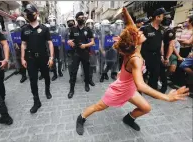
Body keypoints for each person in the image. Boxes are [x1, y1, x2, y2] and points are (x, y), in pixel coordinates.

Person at [75, 7, 189, 136]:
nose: (141, 32)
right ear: (134, 41)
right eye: (139, 34)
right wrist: (167, 97)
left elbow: (132, 28)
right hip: (119, 90)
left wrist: (127, 15)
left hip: (129, 89)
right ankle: (81, 117)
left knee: (146, 108)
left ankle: (129, 118)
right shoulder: (135, 59)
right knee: (98, 107)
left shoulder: (134, 47)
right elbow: (141, 85)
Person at [21, 4, 54, 113]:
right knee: (32, 81)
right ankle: (36, 101)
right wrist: (22, 58)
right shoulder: (24, 29)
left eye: (31, 12)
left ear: (37, 13)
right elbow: (23, 44)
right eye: (28, 13)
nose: (29, 14)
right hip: (31, 59)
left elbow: (50, 43)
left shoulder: (44, 28)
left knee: (46, 76)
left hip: (43, 57)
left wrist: (51, 57)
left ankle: (47, 90)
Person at [67, 12, 95, 99]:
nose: (81, 19)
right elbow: (70, 40)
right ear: (76, 19)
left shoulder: (88, 29)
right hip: (76, 53)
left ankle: (86, 84)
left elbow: (93, 42)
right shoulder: (73, 29)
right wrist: (69, 42)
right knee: (73, 71)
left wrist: (85, 45)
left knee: (86, 70)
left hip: (85, 53)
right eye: (79, 18)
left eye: (83, 17)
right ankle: (71, 89)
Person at [140, 8, 169, 90]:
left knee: (155, 74)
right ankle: (140, 89)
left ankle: (151, 88)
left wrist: (162, 55)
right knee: (143, 73)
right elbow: (139, 42)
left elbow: (161, 43)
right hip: (145, 55)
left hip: (157, 55)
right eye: (163, 16)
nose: (164, 18)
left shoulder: (162, 29)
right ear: (157, 17)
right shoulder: (145, 28)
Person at [48, 15, 63, 81]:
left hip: (58, 47)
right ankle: (55, 74)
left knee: (60, 60)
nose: (52, 22)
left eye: (53, 20)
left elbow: (61, 37)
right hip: (51, 48)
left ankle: (59, 71)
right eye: (50, 20)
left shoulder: (59, 28)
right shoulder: (47, 29)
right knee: (52, 60)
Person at [14, 16, 28, 83]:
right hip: (19, 48)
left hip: (27, 48)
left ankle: (32, 74)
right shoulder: (16, 30)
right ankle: (24, 75)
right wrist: (16, 43)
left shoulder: (27, 29)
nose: (20, 23)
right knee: (21, 61)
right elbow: (15, 38)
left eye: (21, 21)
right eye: (18, 22)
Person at [85, 18, 97, 86]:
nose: (90, 25)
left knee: (92, 66)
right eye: (88, 23)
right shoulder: (84, 32)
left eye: (91, 23)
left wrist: (97, 49)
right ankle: (86, 78)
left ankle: (90, 79)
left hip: (93, 51)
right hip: (86, 51)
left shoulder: (95, 32)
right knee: (85, 65)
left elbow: (97, 41)